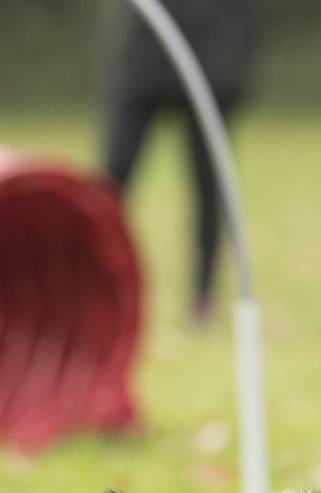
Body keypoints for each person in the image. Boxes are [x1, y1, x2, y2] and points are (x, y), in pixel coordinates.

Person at [99, 0, 258, 325]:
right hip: (146, 45)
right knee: (111, 183)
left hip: (214, 46)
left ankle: (203, 299)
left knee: (210, 183)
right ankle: (92, 291)